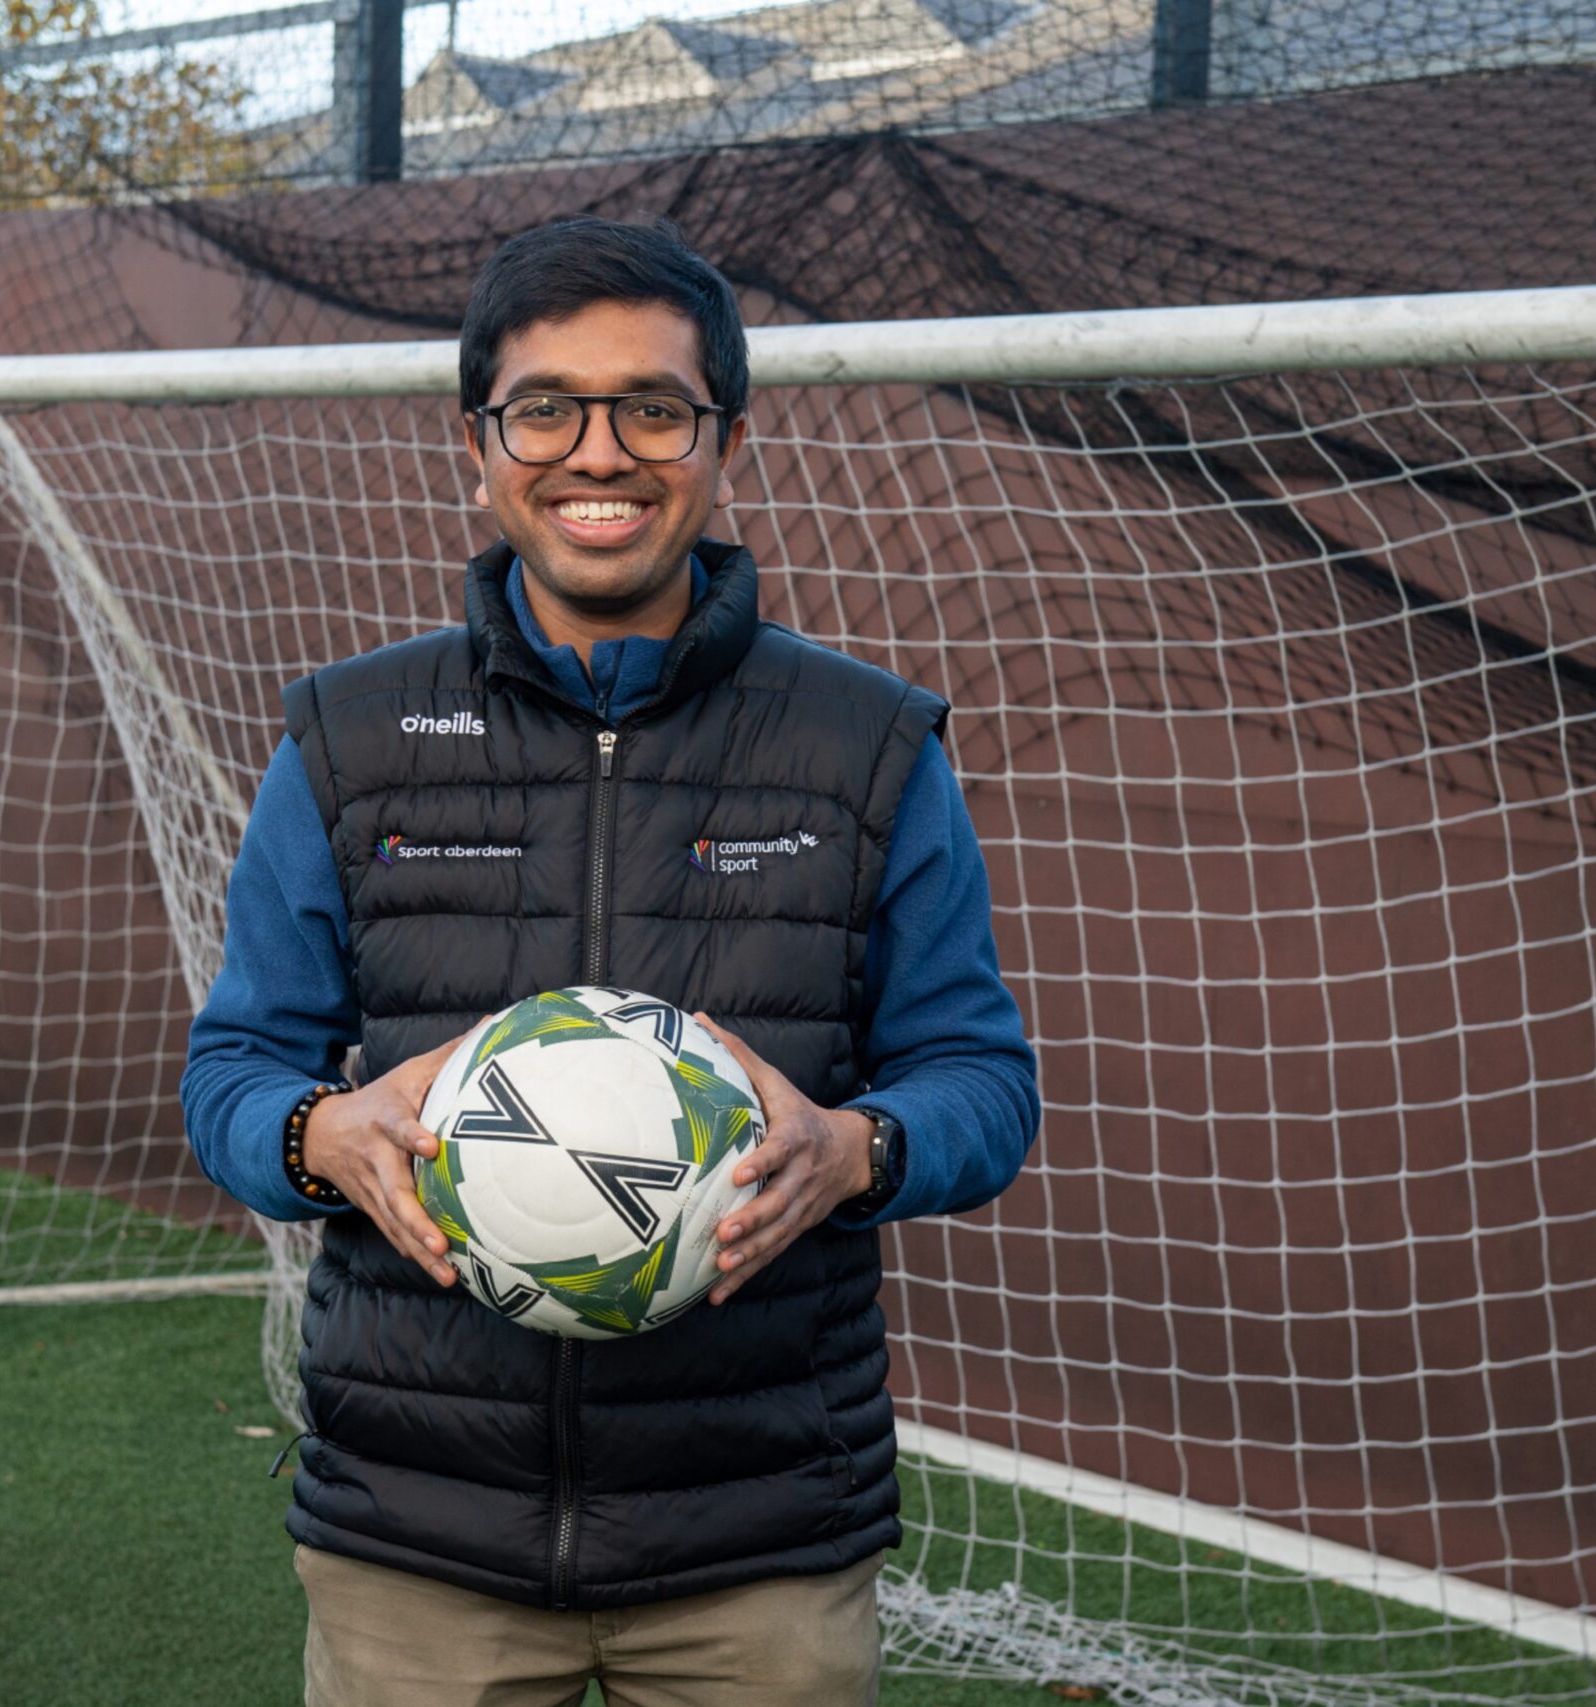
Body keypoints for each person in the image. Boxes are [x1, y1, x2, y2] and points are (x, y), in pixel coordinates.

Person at [181, 215, 1039, 1707]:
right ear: (481, 443)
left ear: (724, 445)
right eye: (546, 409)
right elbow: (234, 1072)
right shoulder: (349, 738)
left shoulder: (866, 746)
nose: (599, 454)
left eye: (653, 409)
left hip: (759, 1539)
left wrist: (858, 1148)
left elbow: (983, 1081)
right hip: (418, 1534)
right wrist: (325, 1137)